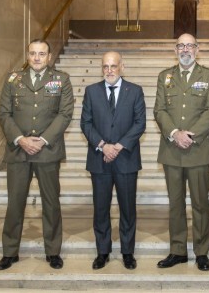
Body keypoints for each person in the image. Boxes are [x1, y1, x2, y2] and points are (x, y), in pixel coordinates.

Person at [0, 39, 74, 271]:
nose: (37, 58)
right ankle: (10, 252)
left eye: (41, 54)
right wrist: (21, 139)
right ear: (27, 56)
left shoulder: (61, 79)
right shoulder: (13, 79)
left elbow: (65, 113)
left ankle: (53, 251)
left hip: (47, 151)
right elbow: (4, 113)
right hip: (18, 151)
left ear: (49, 57)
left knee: (51, 203)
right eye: (33, 53)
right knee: (15, 203)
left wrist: (42, 140)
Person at [154, 33, 209, 271]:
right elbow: (159, 110)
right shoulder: (165, 76)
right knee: (175, 203)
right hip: (172, 150)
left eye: (189, 45)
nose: (185, 49)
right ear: (175, 50)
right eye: (181, 45)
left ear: (197, 49)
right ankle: (178, 250)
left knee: (200, 203)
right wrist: (175, 133)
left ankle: (201, 252)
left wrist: (190, 135)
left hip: (198, 150)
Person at [80, 51, 146, 270]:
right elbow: (86, 123)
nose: (109, 70)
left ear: (122, 67)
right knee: (101, 209)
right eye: (105, 66)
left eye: (113, 66)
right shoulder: (91, 91)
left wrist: (117, 146)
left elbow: (140, 123)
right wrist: (103, 145)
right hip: (99, 159)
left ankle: (127, 252)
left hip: (126, 158)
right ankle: (102, 252)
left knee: (128, 209)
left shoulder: (135, 91)